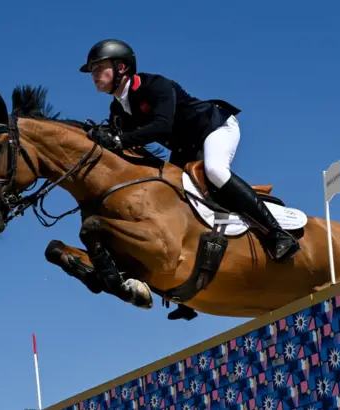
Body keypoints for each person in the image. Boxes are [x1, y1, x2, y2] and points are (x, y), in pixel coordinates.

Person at [80, 39, 300, 320]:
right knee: (172, 200)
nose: (94, 74)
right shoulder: (117, 110)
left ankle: (277, 233)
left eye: (99, 68)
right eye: (93, 70)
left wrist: (119, 139)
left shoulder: (154, 85)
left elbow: (161, 125)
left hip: (214, 128)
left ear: (121, 67)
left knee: (216, 172)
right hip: (185, 147)